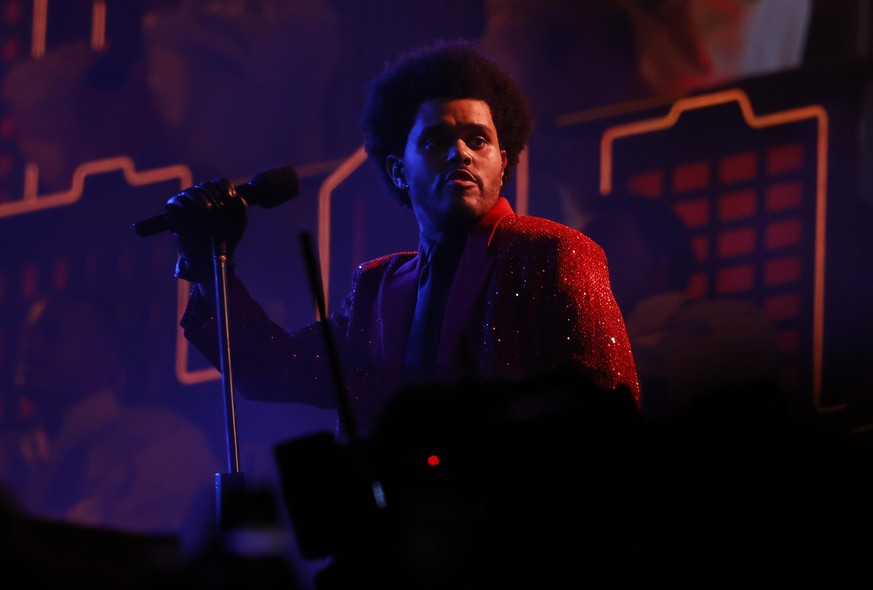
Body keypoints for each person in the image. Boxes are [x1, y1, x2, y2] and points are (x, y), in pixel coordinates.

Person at [165, 39, 640, 438]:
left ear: (503, 161)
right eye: (435, 141)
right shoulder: (376, 287)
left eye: (478, 140)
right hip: (402, 538)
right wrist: (211, 265)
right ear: (398, 170)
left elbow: (610, 416)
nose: (461, 154)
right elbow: (273, 369)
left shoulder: (554, 252)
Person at [0, 293, 222, 536]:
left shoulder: (164, 442)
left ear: (104, 355)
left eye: (51, 334)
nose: (30, 347)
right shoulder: (13, 451)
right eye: (27, 336)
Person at [580, 194, 785, 419]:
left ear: (661, 256)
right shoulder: (582, 345)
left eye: (607, 240)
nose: (586, 259)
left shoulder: (734, 323)